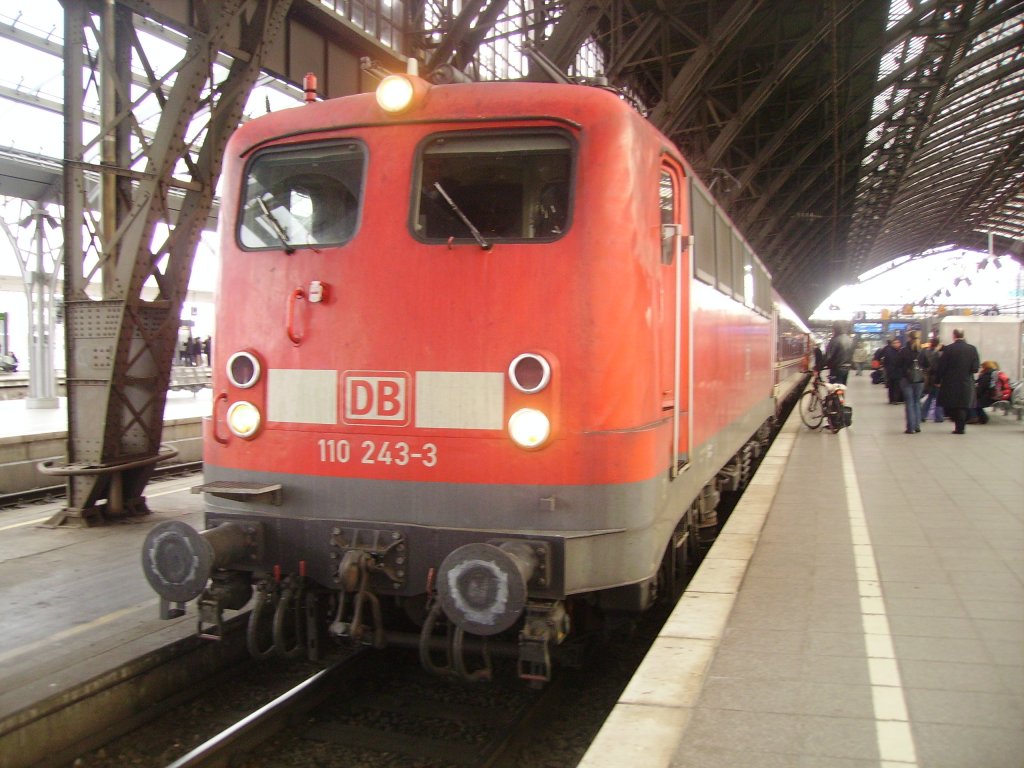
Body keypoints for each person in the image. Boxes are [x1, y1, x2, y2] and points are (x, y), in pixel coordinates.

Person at [935, 328, 981, 434]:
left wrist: (938, 380)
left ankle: (959, 427)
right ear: (963, 335)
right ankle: (961, 427)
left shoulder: (949, 349)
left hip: (950, 382)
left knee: (953, 404)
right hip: (966, 381)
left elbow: (941, 367)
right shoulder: (972, 349)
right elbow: (975, 368)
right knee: (963, 405)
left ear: (954, 336)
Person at [895, 330, 926, 433]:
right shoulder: (922, 350)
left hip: (907, 379)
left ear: (909, 338)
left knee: (909, 403)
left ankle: (910, 427)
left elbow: (897, 364)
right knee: (917, 402)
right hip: (920, 380)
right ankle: (917, 426)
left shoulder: (904, 351)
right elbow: (927, 365)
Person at [920, 339, 944, 423]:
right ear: (938, 344)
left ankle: (922, 415)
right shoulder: (939, 354)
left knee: (930, 397)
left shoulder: (925, 352)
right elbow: (939, 368)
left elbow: (921, 363)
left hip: (928, 377)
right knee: (938, 398)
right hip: (936, 378)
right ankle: (939, 416)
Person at [881, 337, 903, 404]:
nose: (897, 344)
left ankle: (894, 399)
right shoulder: (889, 351)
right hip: (892, 371)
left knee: (895, 386)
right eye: (895, 343)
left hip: (897, 371)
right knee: (892, 386)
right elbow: (886, 361)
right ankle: (893, 399)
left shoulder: (901, 351)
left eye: (898, 343)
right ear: (892, 344)